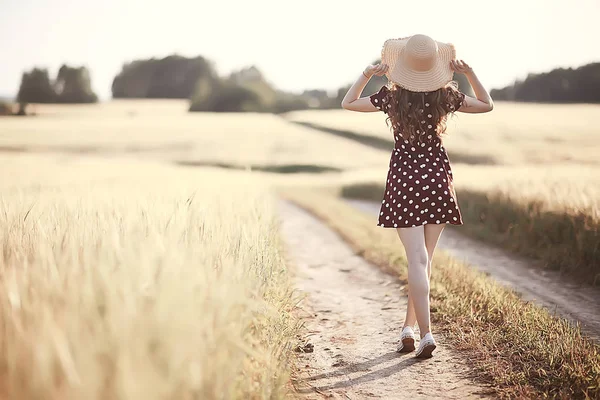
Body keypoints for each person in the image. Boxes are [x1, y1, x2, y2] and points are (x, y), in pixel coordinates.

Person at [341, 34, 493, 358]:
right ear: (435, 68)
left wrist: (368, 74)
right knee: (423, 261)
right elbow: (486, 104)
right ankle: (408, 330)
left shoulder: (392, 98)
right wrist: (469, 73)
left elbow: (348, 103)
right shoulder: (445, 96)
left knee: (417, 261)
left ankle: (425, 334)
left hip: (404, 181)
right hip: (437, 179)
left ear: (404, 66)